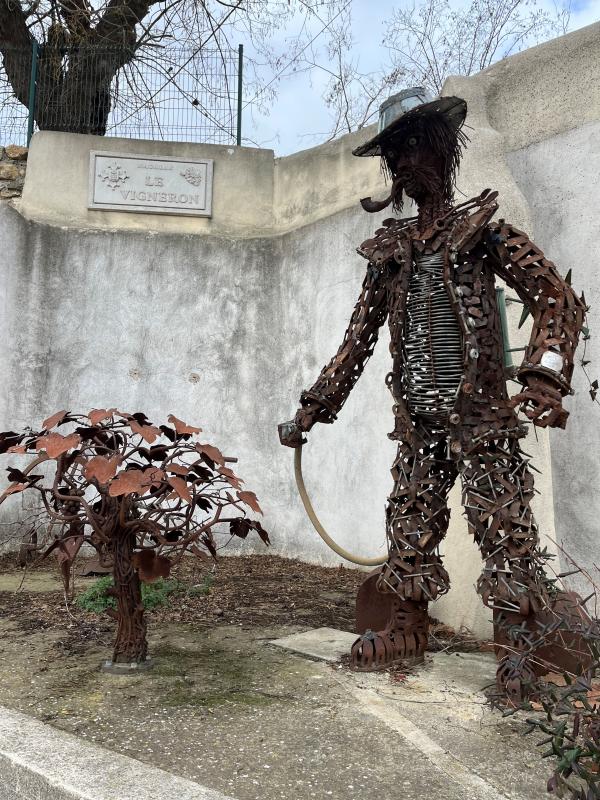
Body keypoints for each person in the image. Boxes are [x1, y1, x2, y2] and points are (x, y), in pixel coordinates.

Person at [278, 88, 587, 699]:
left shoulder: (484, 233)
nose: (406, 160)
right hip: (419, 421)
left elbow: (557, 299)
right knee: (411, 517)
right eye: (396, 152)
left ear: (445, 150)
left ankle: (518, 645)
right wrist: (313, 407)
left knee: (502, 524)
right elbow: (357, 339)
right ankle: (406, 626)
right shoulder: (390, 253)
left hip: (482, 418)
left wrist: (545, 375)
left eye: (416, 144)